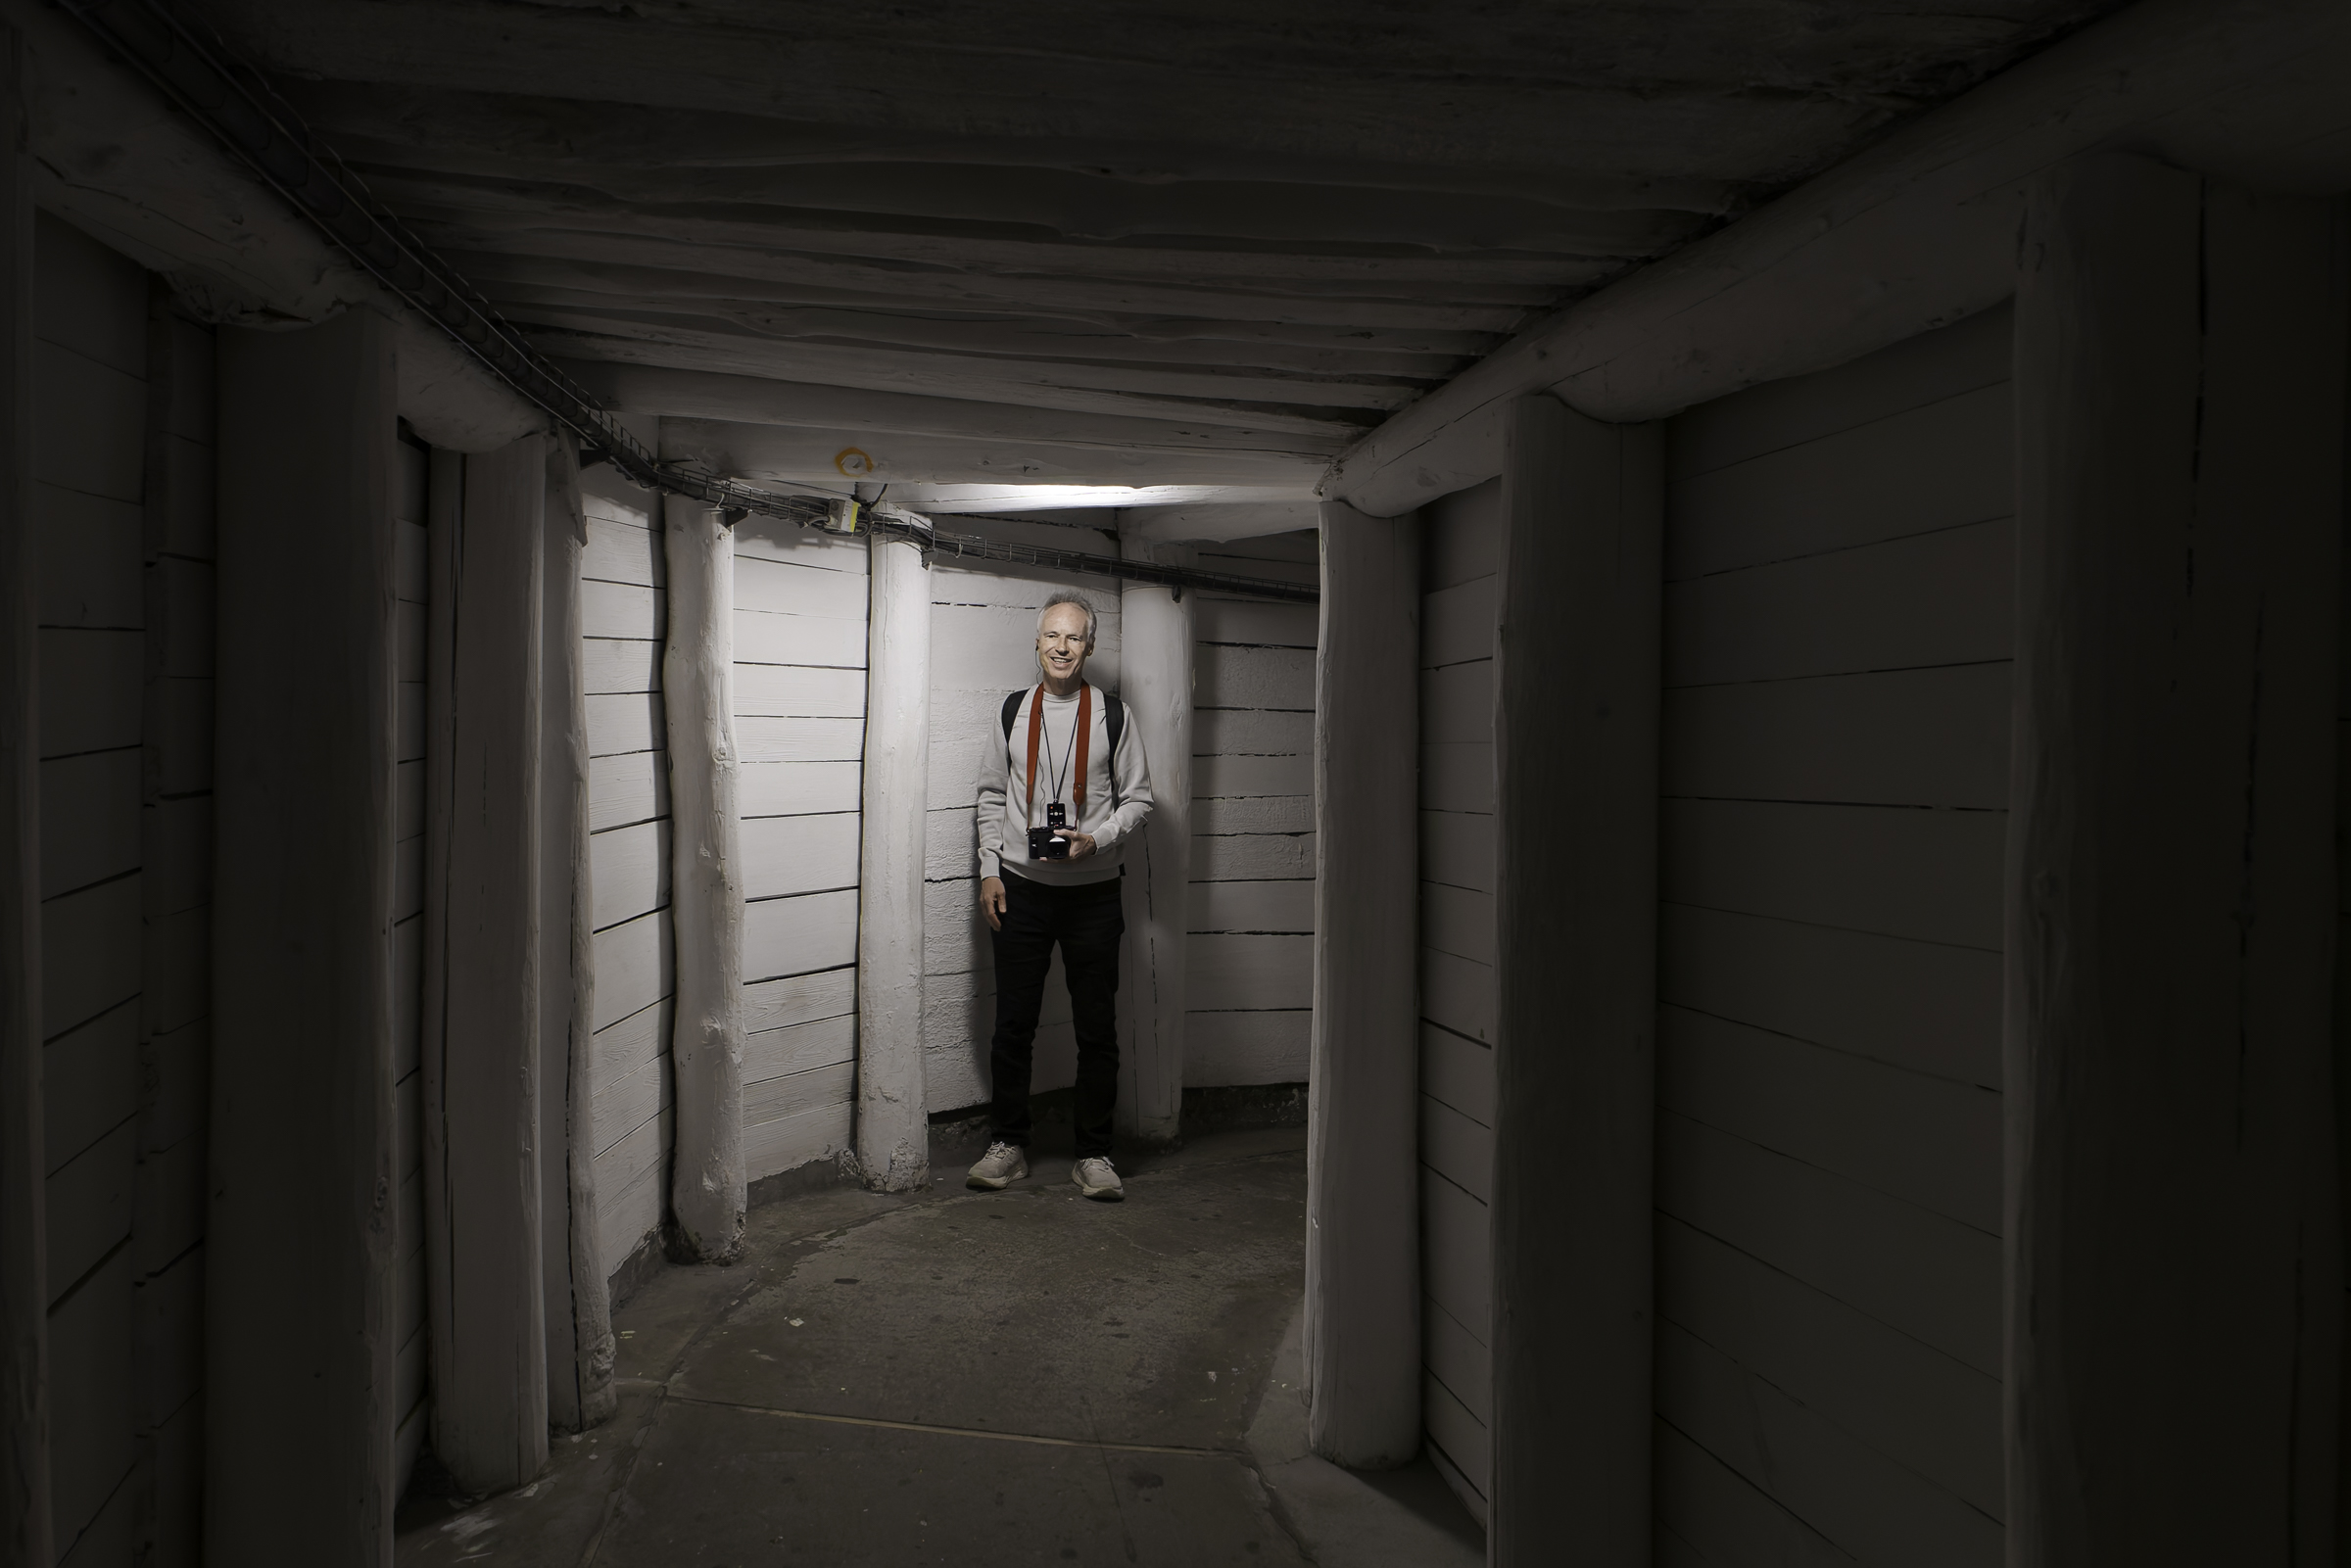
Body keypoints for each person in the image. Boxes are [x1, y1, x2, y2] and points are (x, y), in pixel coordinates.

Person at [965, 589, 1154, 1201]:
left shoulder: (1114, 715)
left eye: (1074, 637)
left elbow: (1140, 800)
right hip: (1020, 890)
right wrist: (989, 870)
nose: (1062, 647)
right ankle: (1008, 1144)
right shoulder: (1014, 711)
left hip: (1093, 895)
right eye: (1052, 636)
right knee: (1012, 1024)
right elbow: (993, 794)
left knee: (1096, 1027)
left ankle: (1093, 1154)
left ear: (1089, 645)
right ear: (1038, 643)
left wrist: (1095, 841)